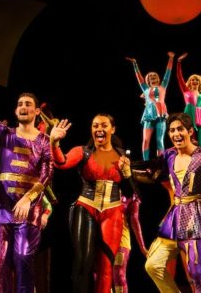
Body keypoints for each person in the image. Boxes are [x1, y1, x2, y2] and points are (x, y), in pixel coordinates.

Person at [0, 64, 66, 293]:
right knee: (1, 265)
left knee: (23, 259)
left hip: (29, 209)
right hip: (2, 208)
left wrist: (28, 199)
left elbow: (47, 174)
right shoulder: (5, 134)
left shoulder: (43, 141)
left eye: (28, 105)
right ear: (16, 111)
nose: (23, 107)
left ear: (36, 112)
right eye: (20, 104)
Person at [141, 113, 201, 292]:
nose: (175, 134)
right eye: (171, 130)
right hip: (175, 218)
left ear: (190, 131)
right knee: (153, 265)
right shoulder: (169, 155)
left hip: (196, 218)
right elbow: (153, 176)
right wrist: (128, 173)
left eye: (180, 129)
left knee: (197, 271)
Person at [53, 113, 134, 293]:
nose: (99, 129)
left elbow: (129, 193)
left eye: (104, 125)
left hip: (113, 212)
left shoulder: (121, 156)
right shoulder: (83, 151)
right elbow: (62, 163)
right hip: (86, 207)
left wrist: (128, 173)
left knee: (106, 269)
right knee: (83, 262)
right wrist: (54, 143)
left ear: (112, 129)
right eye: (95, 125)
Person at [125, 52, 174, 160]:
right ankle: (145, 162)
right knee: (146, 140)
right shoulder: (145, 89)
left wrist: (171, 59)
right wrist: (135, 64)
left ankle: (160, 163)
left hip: (160, 114)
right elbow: (139, 77)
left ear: (158, 79)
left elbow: (168, 73)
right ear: (147, 80)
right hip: (148, 115)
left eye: (154, 75)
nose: (152, 77)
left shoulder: (163, 86)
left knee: (159, 140)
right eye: (150, 76)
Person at [175, 53, 201, 146]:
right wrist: (178, 62)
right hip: (190, 115)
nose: (194, 81)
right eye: (192, 79)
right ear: (189, 82)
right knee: (191, 141)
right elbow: (179, 76)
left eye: (196, 80)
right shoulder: (186, 91)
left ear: (199, 82)